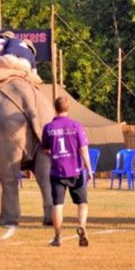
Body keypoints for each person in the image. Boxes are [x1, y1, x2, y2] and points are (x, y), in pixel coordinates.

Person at [41, 96, 92, 248]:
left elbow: (45, 149)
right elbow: (83, 148)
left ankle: (57, 237)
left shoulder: (48, 128)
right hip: (76, 170)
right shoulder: (76, 126)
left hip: (57, 171)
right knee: (82, 202)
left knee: (58, 205)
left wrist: (54, 153)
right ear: (68, 108)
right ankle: (82, 226)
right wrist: (89, 168)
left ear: (55, 108)